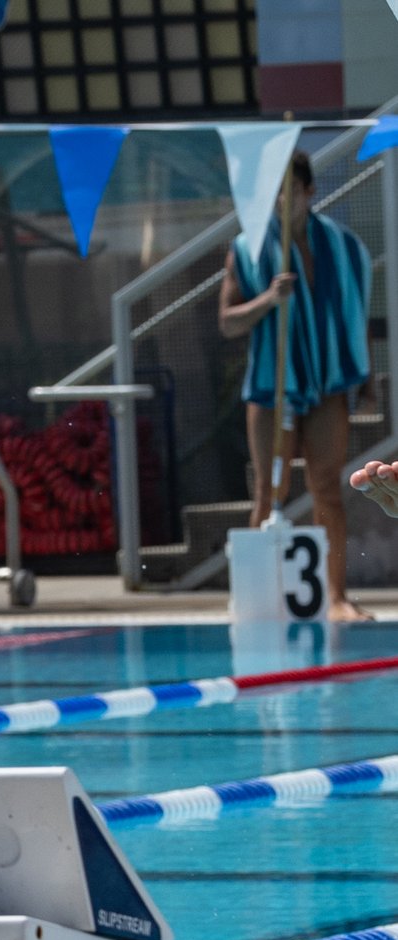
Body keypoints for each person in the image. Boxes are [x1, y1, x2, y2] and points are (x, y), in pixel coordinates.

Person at [223, 150, 374, 623]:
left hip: (326, 382)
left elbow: (353, 313)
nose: (281, 199)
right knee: (270, 493)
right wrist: (268, 298)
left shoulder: (343, 247)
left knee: (327, 487)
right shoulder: (247, 249)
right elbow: (228, 323)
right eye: (272, 189)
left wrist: (363, 376)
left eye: (290, 188)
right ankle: (257, 601)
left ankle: (335, 598)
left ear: (310, 192)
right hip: (272, 388)